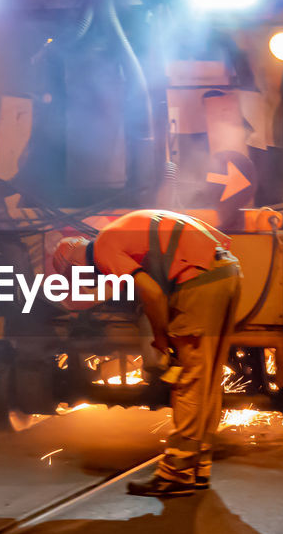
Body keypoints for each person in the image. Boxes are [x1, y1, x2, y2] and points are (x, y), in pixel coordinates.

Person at [54, 210, 242, 497]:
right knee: (208, 374)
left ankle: (176, 474)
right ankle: (199, 466)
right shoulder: (125, 230)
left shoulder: (104, 247)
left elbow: (152, 294)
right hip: (228, 272)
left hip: (198, 284)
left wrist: (161, 337)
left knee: (189, 378)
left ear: (76, 265)